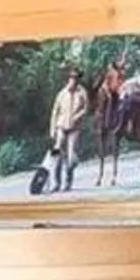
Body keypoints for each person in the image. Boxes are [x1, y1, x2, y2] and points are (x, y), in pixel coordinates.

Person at [46, 65, 89, 193]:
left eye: (76, 78)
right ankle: (57, 183)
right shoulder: (62, 93)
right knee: (57, 154)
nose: (73, 80)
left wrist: (77, 116)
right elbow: (55, 111)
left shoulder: (82, 93)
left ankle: (68, 181)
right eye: (71, 78)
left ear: (78, 79)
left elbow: (86, 108)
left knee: (71, 157)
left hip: (74, 128)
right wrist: (52, 129)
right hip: (61, 126)